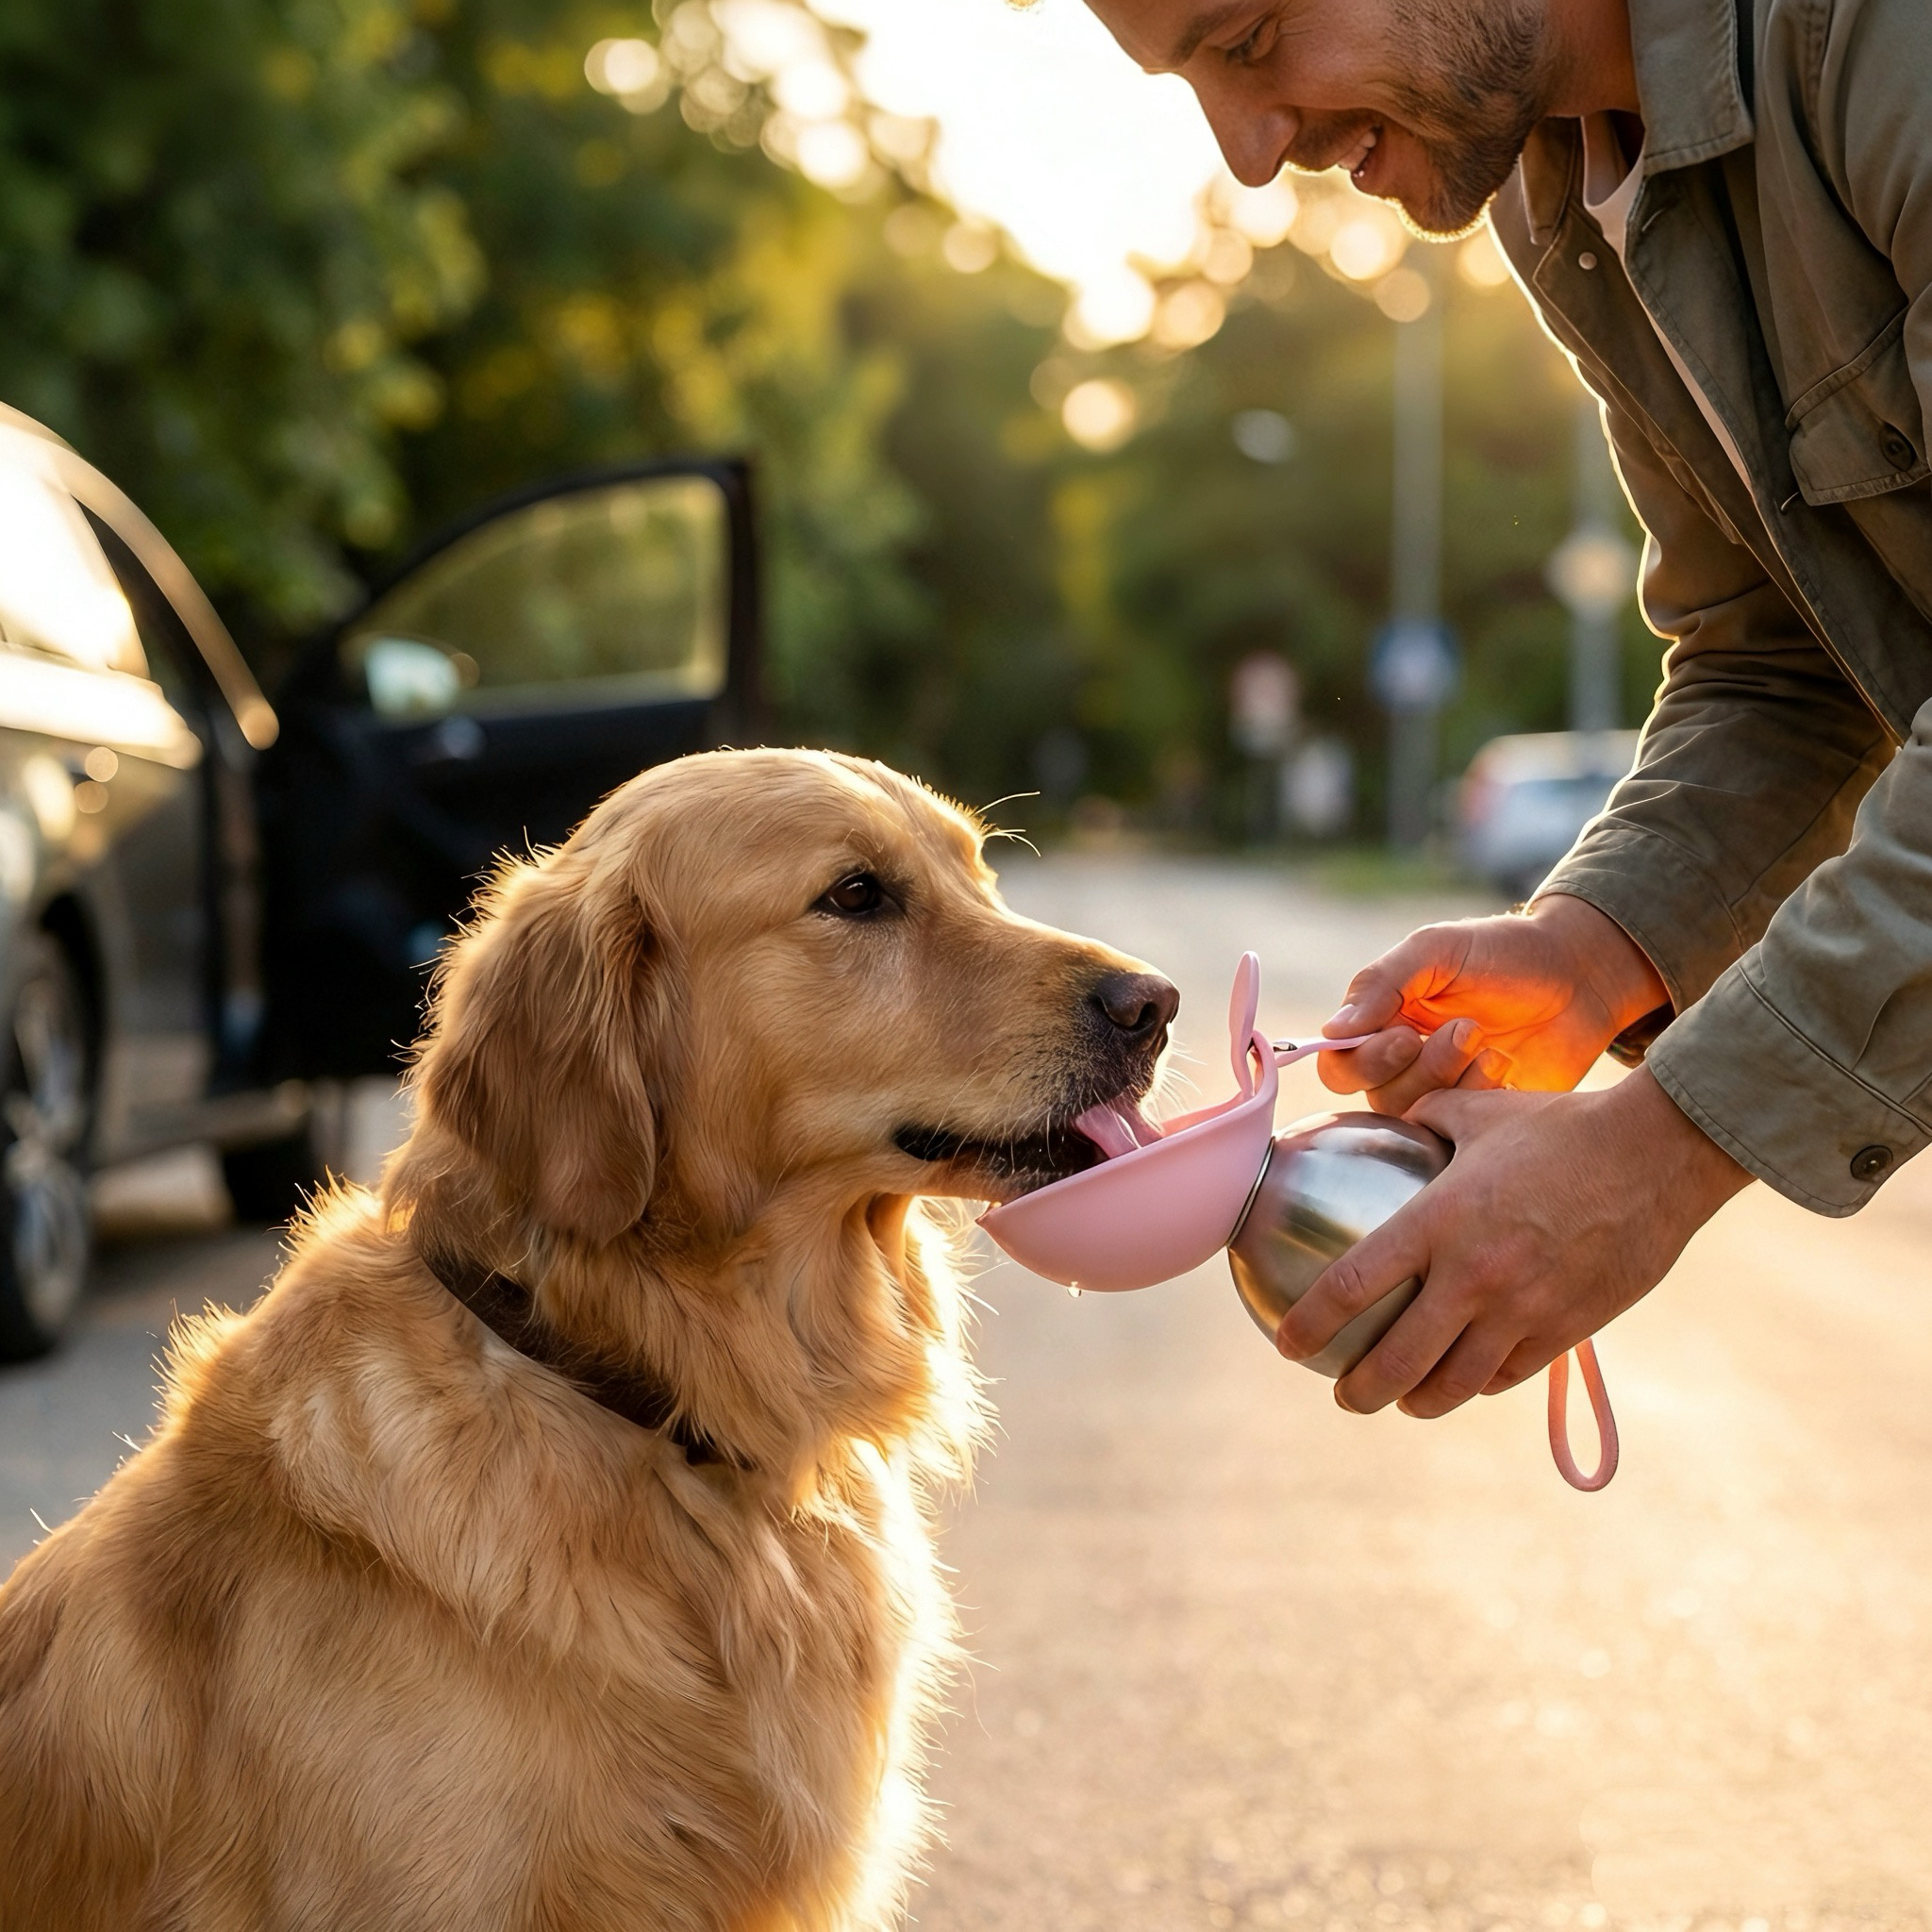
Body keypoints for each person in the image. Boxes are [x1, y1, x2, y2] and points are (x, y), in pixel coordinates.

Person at [1081, 0, 1932, 1421]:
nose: (1246, 151)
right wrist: (1595, 950)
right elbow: (1781, 659)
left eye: (1247, 37)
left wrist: (1661, 1150)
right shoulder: (1560, 195)